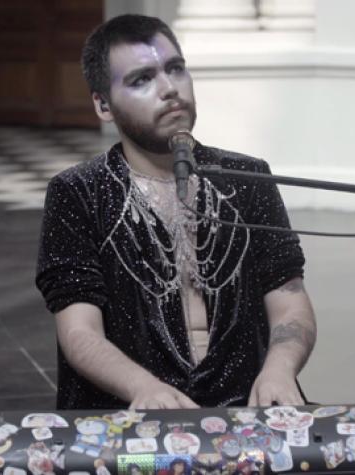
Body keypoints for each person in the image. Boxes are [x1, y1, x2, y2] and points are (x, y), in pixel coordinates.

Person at [36, 14, 316, 410]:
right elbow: (79, 331)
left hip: (247, 410)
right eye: (141, 79)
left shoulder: (248, 178)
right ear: (103, 105)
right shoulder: (78, 192)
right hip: (131, 416)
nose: (169, 88)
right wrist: (142, 388)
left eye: (176, 68)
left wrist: (279, 370)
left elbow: (289, 300)